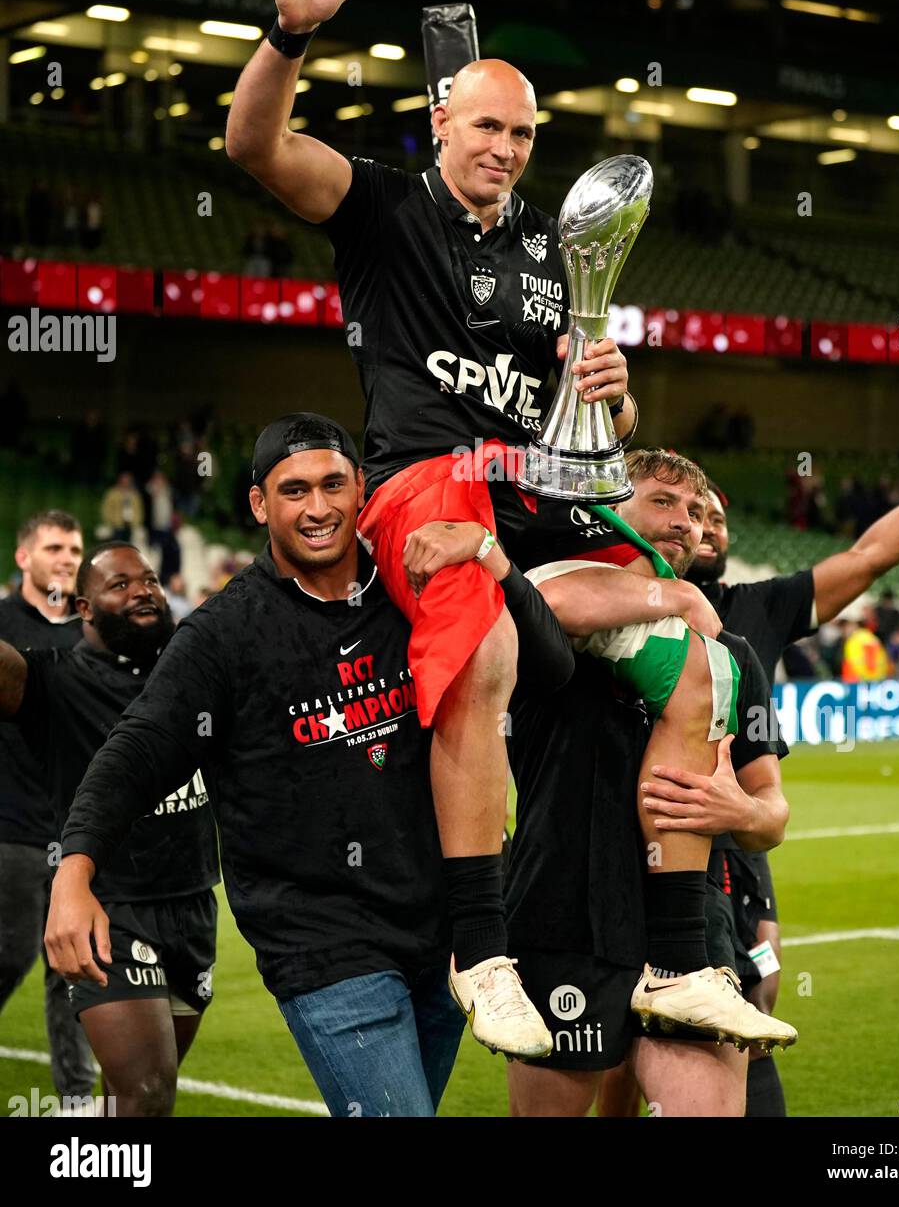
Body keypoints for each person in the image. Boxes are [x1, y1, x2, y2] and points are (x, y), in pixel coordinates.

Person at [225, 0, 729, 1057]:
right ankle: (479, 946)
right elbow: (255, 150)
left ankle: (677, 954)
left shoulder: (556, 250)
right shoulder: (383, 207)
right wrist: (286, 37)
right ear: (441, 118)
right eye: (487, 123)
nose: (505, 145)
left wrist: (615, 389)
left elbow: (598, 419)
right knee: (492, 648)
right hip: (422, 487)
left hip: (536, 497)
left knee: (696, 635)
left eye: (524, 131)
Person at [45, 414, 575, 1116]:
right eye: (294, 491)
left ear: (362, 488)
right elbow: (138, 750)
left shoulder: (411, 586)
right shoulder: (224, 633)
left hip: (445, 935)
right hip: (324, 947)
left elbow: (551, 670)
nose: (318, 508)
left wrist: (487, 551)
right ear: (260, 504)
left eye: (333, 485)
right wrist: (74, 872)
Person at [599, 388, 899, 1119]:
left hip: (731, 862)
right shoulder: (595, 601)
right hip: (607, 854)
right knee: (610, 1052)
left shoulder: (752, 614)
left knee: (754, 998)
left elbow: (871, 553)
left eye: (712, 516)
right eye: (687, 510)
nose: (704, 525)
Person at [506, 455, 792, 1117]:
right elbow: (549, 602)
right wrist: (675, 596)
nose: (686, 523)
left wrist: (741, 809)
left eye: (696, 513)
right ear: (609, 507)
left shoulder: (734, 657)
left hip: (689, 930)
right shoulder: (552, 606)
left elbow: (774, 814)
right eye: (664, 502)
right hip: (561, 910)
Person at [0, 541, 218, 1117]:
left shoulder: (190, 673)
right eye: (119, 584)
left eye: (147, 580)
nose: (141, 590)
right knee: (146, 1094)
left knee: (140, 1097)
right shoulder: (52, 679)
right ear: (84, 607)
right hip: (107, 911)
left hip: (192, 904)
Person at [0, 511, 95, 1105]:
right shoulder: (1, 626)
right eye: (55, 547)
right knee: (7, 956)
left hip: (76, 834)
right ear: (23, 558)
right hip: (10, 828)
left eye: (76, 549)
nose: (66, 558)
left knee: (74, 974)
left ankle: (77, 1099)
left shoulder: (92, 631)